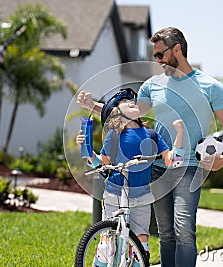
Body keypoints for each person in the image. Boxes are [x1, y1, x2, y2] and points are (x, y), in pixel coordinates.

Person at [77, 27, 223, 267]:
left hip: (190, 167)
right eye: (155, 56)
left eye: (160, 55)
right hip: (158, 166)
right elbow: (129, 115)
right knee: (165, 232)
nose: (158, 60)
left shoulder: (210, 87)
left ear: (177, 49)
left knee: (184, 228)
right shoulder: (152, 86)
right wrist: (94, 105)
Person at [76, 88, 184, 265]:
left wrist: (179, 134)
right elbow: (102, 162)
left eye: (132, 100)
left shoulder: (152, 135)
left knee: (141, 243)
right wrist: (88, 151)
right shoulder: (114, 135)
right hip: (115, 195)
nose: (131, 101)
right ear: (116, 112)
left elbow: (170, 160)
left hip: (141, 197)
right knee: (107, 245)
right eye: (125, 101)